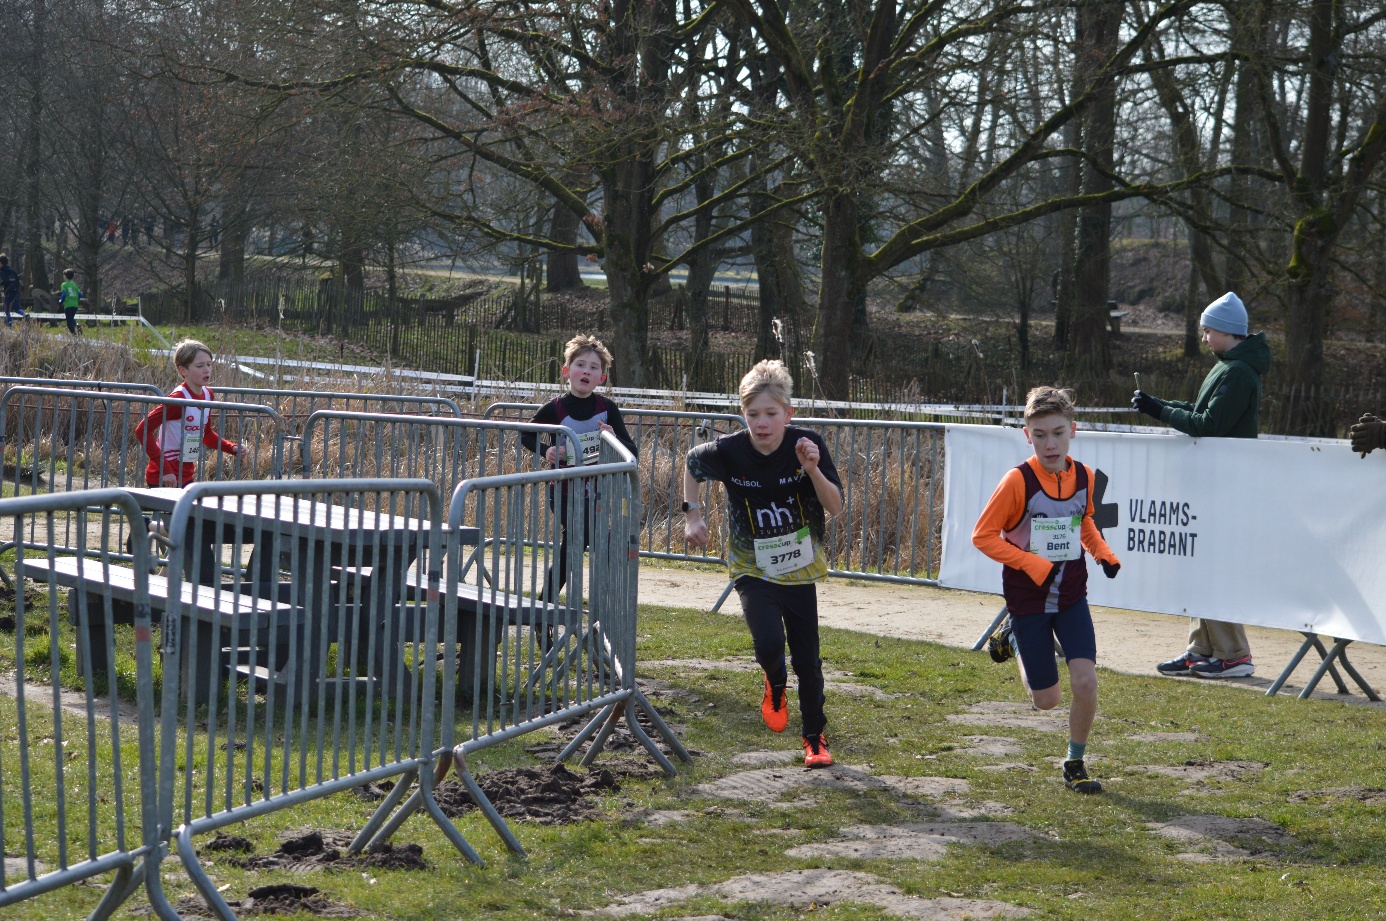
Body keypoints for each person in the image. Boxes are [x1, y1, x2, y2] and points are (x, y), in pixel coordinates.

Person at [683, 360, 844, 768]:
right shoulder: (730, 450)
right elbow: (691, 464)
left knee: (808, 658)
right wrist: (693, 515)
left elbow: (836, 507)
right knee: (769, 644)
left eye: (771, 414)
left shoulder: (808, 444)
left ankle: (814, 738)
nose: (762, 423)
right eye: (753, 414)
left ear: (788, 413)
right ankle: (774, 682)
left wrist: (812, 471)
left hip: (799, 568)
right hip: (751, 566)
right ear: (743, 414)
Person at [973, 386, 1121, 794]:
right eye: (1039, 435)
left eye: (1057, 433)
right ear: (1027, 435)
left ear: (1073, 430)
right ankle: (1015, 641)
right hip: (1028, 599)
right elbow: (983, 536)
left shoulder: (1085, 476)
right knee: (1047, 701)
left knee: (1086, 682)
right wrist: (1030, 563)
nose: (1050, 443)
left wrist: (1103, 553)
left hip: (1072, 595)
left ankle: (1075, 762)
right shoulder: (1016, 482)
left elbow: (1084, 522)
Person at [1132, 291, 1269, 678]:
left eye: (1208, 331)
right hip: (1212, 481)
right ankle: (1201, 648)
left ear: (1226, 331)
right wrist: (1158, 403)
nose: (1204, 338)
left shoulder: (1239, 371)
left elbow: (1209, 425)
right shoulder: (1228, 365)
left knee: (1216, 566)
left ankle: (1234, 653)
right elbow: (1200, 411)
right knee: (1199, 564)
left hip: (1227, 483)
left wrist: (1159, 411)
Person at [520, 334, 637, 602]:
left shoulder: (607, 408)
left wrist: (614, 438)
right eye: (581, 365)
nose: (586, 371)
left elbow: (633, 452)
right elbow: (525, 434)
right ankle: (604, 608)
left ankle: (546, 605)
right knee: (591, 540)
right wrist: (546, 450)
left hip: (596, 494)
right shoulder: (554, 408)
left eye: (594, 368)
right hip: (562, 492)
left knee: (573, 545)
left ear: (602, 378)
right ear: (566, 372)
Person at [134, 339, 240, 488]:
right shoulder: (177, 399)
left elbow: (206, 434)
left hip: (186, 475)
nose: (207, 370)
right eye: (200, 366)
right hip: (164, 476)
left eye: (209, 364)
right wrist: (165, 470)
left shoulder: (208, 394)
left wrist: (232, 448)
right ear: (183, 370)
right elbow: (142, 430)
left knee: (193, 511)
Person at [0, 254, 26, 326]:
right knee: (17, 308)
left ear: (1, 263)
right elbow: (17, 281)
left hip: (8, 292)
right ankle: (25, 315)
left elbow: (4, 281)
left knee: (7, 309)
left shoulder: (1, 271)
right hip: (15, 291)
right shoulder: (12, 271)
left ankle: (10, 325)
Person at [58, 268, 83, 334]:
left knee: (69, 323)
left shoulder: (64, 284)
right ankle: (77, 325)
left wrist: (61, 301)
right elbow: (80, 294)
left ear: (65, 276)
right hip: (75, 305)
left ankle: (74, 335)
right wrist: (76, 299)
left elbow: (64, 294)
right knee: (71, 318)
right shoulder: (74, 285)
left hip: (68, 305)